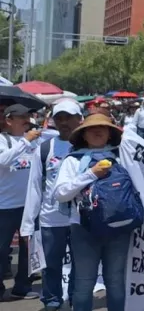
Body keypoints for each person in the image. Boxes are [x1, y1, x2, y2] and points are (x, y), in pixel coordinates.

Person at [51, 113, 128, 311]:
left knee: (116, 282)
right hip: (83, 230)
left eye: (103, 127)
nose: (97, 131)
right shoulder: (73, 161)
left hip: (119, 229)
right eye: (91, 128)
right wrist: (91, 174)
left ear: (110, 133)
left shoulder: (124, 157)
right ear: (83, 135)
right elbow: (60, 194)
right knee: (84, 284)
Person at [20, 100, 80, 310]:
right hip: (50, 219)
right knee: (51, 265)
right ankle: (52, 301)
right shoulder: (45, 149)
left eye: (69, 118)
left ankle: (76, 299)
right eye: (59, 118)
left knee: (80, 265)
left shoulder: (88, 146)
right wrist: (27, 226)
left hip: (80, 219)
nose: (64, 122)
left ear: (79, 119)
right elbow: (34, 187)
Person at [0, 104, 42, 301]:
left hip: (29, 206)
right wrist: (25, 141)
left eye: (28, 116)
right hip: (5, 206)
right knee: (1, 250)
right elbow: (3, 161)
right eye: (22, 117)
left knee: (28, 250)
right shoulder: (3, 140)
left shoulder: (35, 140)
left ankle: (22, 287)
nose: (27, 120)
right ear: (9, 120)